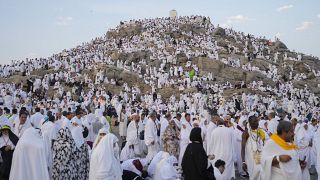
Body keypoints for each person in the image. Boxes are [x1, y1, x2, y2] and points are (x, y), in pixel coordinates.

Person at [242, 116, 265, 180]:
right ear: (250, 123)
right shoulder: (246, 132)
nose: (256, 123)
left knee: (260, 171)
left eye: (257, 121)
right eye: (254, 122)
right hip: (250, 157)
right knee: (253, 175)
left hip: (259, 154)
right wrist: (243, 162)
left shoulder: (260, 131)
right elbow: (242, 148)